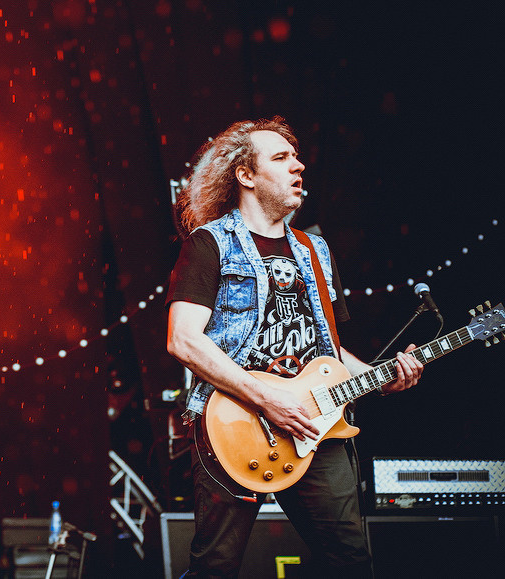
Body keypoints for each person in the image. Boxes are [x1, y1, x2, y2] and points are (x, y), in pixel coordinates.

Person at [165, 116, 423, 578]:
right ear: (245, 175)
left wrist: (382, 377)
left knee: (351, 561)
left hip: (314, 426)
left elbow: (330, 351)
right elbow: (183, 340)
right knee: (216, 568)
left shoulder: (315, 250)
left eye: (297, 157)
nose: (298, 166)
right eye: (281, 158)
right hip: (234, 422)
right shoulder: (210, 244)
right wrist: (266, 398)